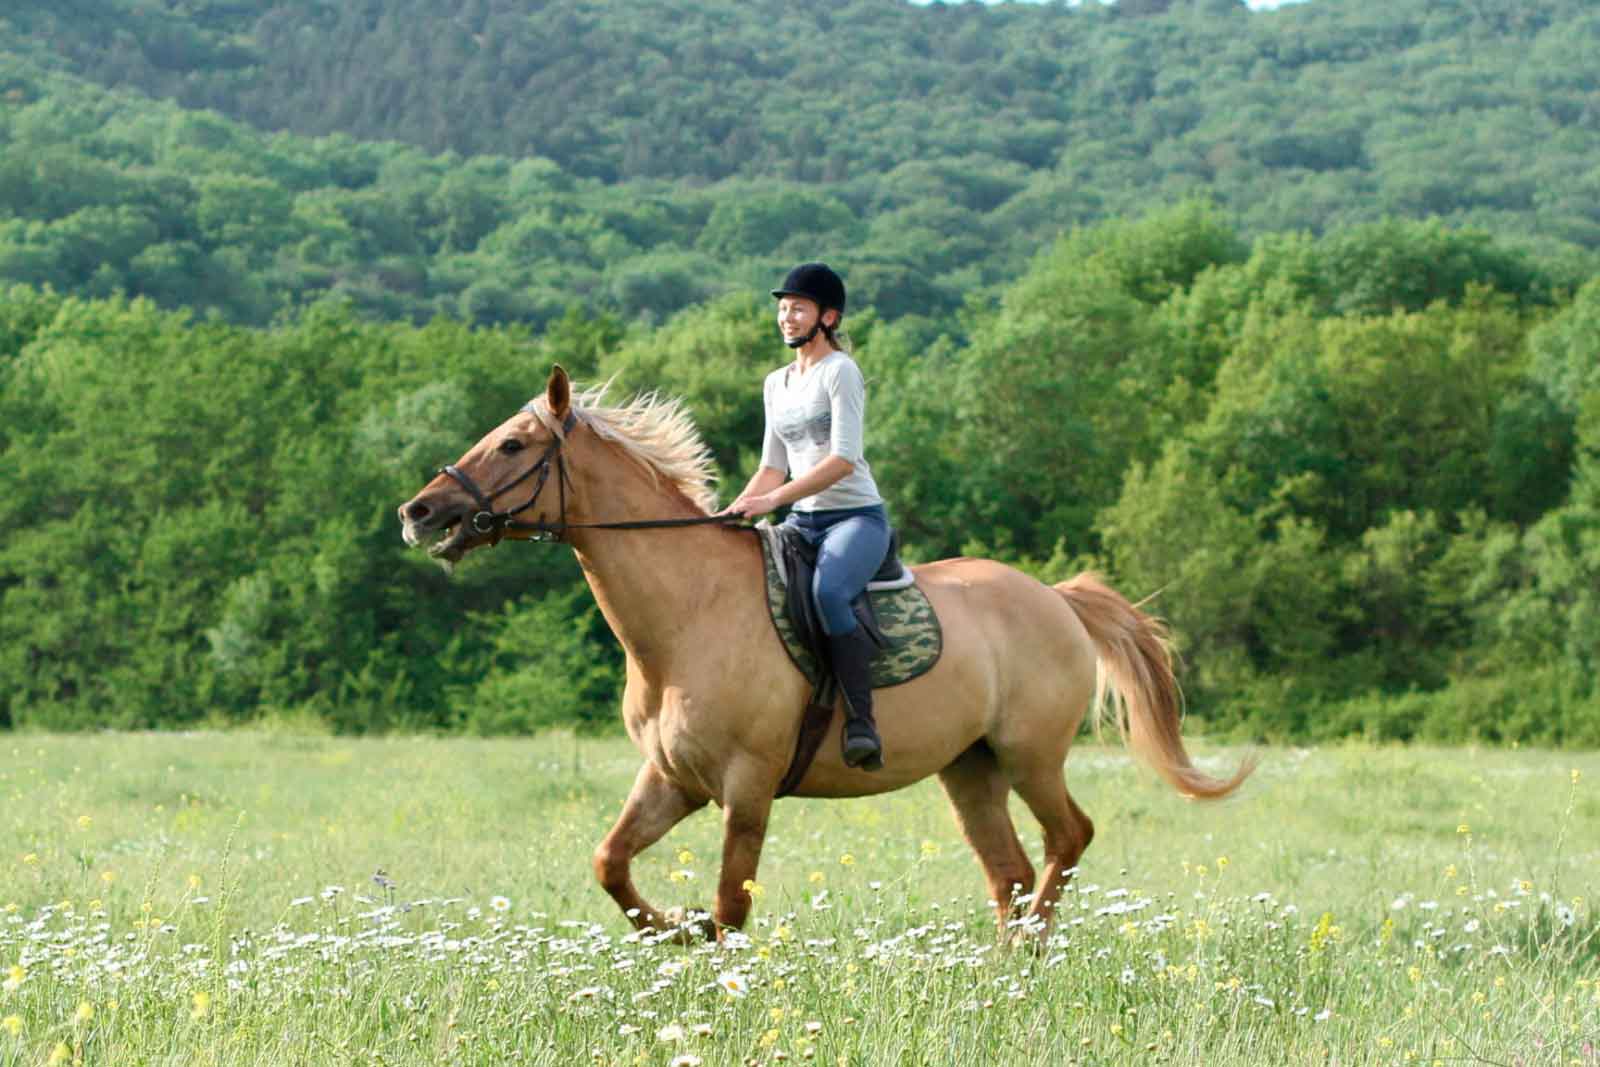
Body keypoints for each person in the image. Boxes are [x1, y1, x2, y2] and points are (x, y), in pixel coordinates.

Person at [723, 263, 890, 771]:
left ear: (828, 316)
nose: (785, 317)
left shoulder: (841, 371)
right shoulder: (776, 383)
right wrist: (734, 509)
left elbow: (841, 462)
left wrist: (771, 504)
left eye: (797, 308)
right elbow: (772, 467)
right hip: (801, 521)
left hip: (853, 519)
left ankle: (862, 721)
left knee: (828, 593)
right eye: (782, 308)